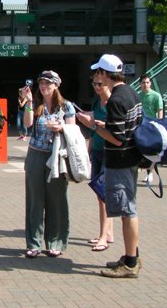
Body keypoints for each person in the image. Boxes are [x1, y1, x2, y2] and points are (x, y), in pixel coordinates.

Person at [89, 54, 144, 278]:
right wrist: (106, 125)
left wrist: (93, 126)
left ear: (105, 73)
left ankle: (130, 262)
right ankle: (132, 255)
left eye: (98, 72)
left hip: (120, 161)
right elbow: (126, 128)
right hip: (131, 159)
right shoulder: (132, 93)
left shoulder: (116, 99)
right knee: (128, 208)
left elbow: (117, 138)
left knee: (127, 210)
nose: (97, 77)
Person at [21, 70, 76, 258]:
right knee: (35, 200)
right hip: (36, 154)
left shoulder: (67, 106)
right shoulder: (36, 105)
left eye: (48, 83)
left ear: (56, 85)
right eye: (41, 83)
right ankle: (33, 243)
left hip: (57, 156)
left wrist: (61, 128)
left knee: (57, 200)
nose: (44, 87)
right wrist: (28, 101)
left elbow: (73, 131)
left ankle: (56, 242)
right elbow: (27, 124)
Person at [76, 75, 114, 252]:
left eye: (100, 84)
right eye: (94, 84)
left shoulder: (114, 104)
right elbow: (92, 131)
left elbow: (116, 128)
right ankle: (109, 232)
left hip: (111, 152)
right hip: (98, 150)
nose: (97, 87)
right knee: (101, 194)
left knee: (103, 195)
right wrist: (88, 150)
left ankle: (102, 237)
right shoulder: (95, 103)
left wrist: (100, 124)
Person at [138, 74, 163, 185]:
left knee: (151, 150)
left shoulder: (156, 96)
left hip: (152, 126)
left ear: (150, 83)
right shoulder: (138, 96)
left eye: (147, 82)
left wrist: (160, 124)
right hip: (141, 126)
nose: (145, 85)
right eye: (143, 83)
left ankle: (150, 173)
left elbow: (160, 111)